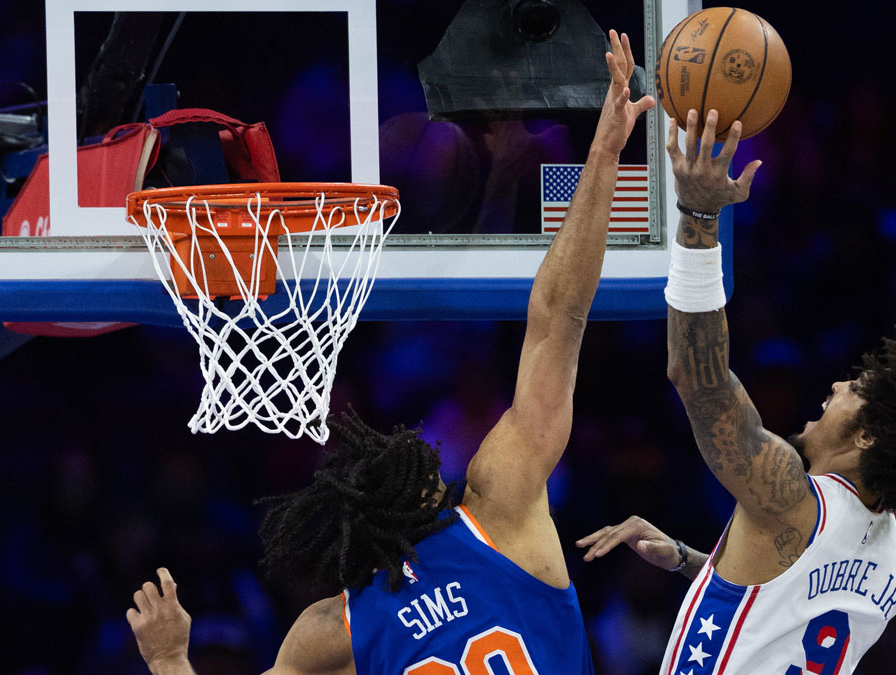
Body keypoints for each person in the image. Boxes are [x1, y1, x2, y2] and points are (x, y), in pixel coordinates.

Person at [125, 29, 656, 675]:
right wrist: (604, 151)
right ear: (429, 488)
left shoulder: (332, 629)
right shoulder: (502, 505)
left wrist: (169, 659)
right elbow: (558, 317)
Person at [576, 108, 896, 674]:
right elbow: (786, 596)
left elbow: (699, 378)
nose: (837, 384)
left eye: (855, 389)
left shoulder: (789, 496)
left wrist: (698, 213)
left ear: (868, 435)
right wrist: (693, 561)